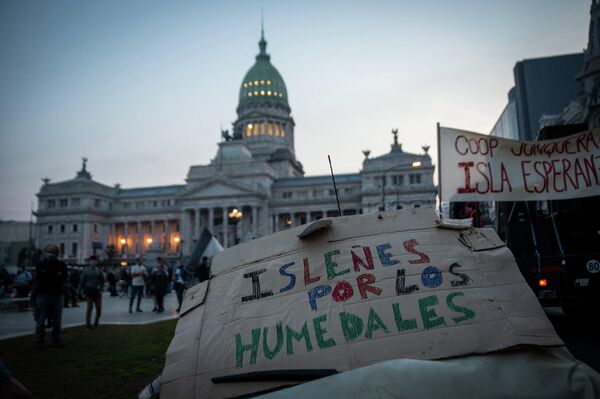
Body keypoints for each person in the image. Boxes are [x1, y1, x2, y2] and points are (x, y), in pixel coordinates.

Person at [34, 244, 68, 349]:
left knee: (57, 318)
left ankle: (56, 339)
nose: (50, 254)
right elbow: (40, 279)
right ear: (44, 252)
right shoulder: (40, 265)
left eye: (52, 252)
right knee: (41, 318)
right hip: (43, 294)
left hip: (57, 294)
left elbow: (63, 278)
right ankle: (40, 340)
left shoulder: (61, 265)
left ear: (56, 254)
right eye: (48, 251)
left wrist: (50, 276)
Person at [78, 255, 104, 330]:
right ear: (89, 262)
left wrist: (101, 289)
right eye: (92, 261)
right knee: (90, 308)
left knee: (99, 309)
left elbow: (102, 281)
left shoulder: (98, 271)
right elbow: (81, 282)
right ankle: (88, 324)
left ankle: (96, 320)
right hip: (88, 292)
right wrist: (78, 292)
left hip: (97, 292)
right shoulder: (85, 271)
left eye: (95, 260)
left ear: (96, 262)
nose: (93, 262)